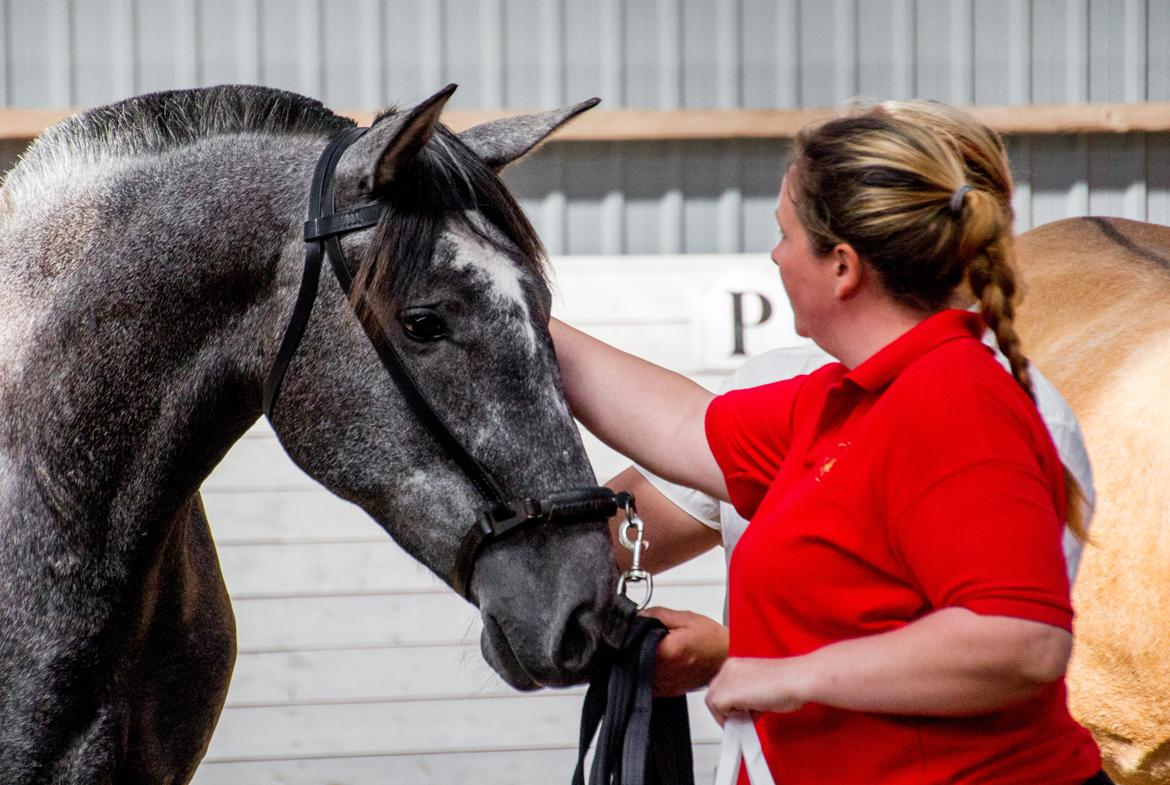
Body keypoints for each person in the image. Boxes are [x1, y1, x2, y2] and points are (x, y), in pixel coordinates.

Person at [551, 101, 1106, 784]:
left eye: (785, 233)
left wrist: (789, 675)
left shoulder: (955, 402)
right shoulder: (839, 400)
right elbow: (680, 426)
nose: (775, 254)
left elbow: (1020, 641)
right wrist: (516, 316)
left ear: (843, 267)